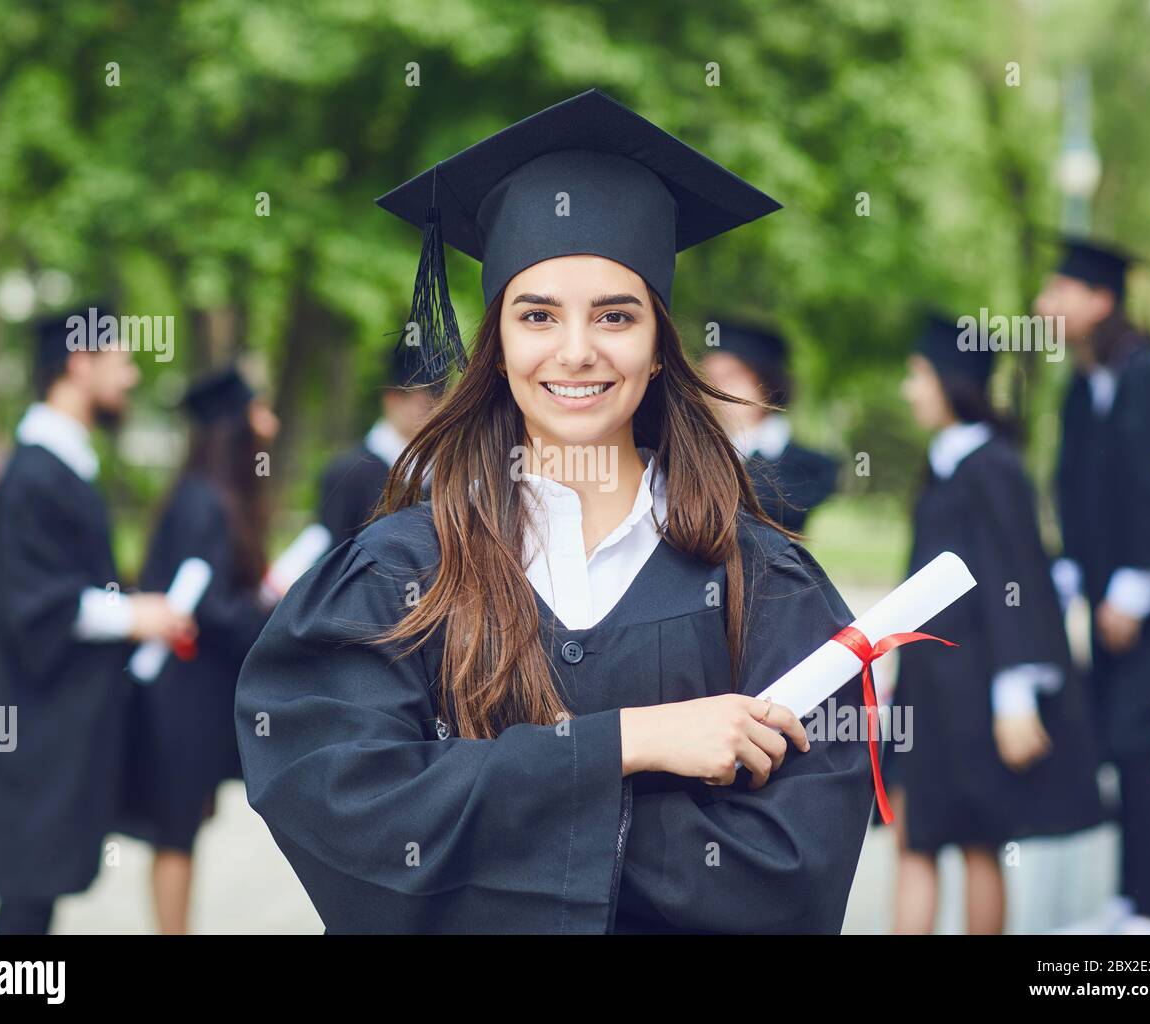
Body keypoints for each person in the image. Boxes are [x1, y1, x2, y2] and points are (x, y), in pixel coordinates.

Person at [235, 89, 875, 934]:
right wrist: (630, 745)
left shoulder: (763, 582)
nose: (576, 350)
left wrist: (495, 815)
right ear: (498, 347)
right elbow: (352, 818)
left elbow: (792, 872)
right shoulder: (400, 575)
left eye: (616, 315)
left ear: (656, 350)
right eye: (537, 316)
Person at [0, 308, 194, 935]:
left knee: (38, 888)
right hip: (33, 717)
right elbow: (36, 601)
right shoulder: (36, 471)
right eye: (120, 359)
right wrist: (135, 614)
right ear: (79, 362)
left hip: (57, 713)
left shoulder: (60, 463)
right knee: (26, 891)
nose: (131, 374)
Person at [885, 313, 1104, 934]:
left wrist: (1015, 698)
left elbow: (1020, 587)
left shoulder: (993, 468)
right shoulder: (946, 465)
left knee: (979, 842)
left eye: (918, 374)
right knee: (915, 838)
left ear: (954, 379)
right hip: (930, 695)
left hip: (975, 698)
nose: (910, 389)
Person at [1037, 238, 1150, 934]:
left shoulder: (1149, 379)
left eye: (1060, 292)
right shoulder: (1085, 385)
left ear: (1100, 300)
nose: (1045, 306)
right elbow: (1081, 495)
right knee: (1121, 738)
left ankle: (1146, 908)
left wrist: (1131, 593)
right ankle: (1135, 898)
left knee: (1137, 734)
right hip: (1113, 603)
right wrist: (1073, 575)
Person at [118, 366, 280, 934]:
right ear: (234, 427)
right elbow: (209, 608)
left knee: (183, 825)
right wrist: (274, 616)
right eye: (260, 410)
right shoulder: (206, 502)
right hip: (180, 693)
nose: (271, 423)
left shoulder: (203, 495)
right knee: (177, 829)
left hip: (192, 690)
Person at [701, 320, 839, 532]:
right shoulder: (696, 452)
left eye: (730, 377)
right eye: (709, 378)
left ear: (765, 382)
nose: (716, 390)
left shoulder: (810, 466)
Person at [318, 345, 442, 549]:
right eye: (423, 402)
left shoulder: (447, 475)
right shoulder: (346, 474)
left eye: (439, 400)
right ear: (393, 400)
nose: (434, 411)